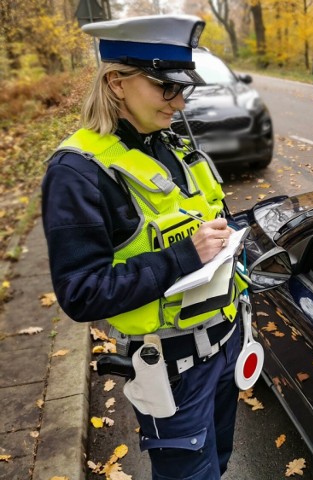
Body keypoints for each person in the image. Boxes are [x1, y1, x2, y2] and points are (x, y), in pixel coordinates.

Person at [41, 15, 248, 480]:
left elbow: (206, 217)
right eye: (165, 88)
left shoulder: (167, 142)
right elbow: (81, 292)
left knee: (218, 463)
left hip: (224, 347)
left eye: (182, 89)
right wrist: (181, 258)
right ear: (117, 82)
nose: (178, 102)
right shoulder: (77, 173)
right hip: (171, 370)